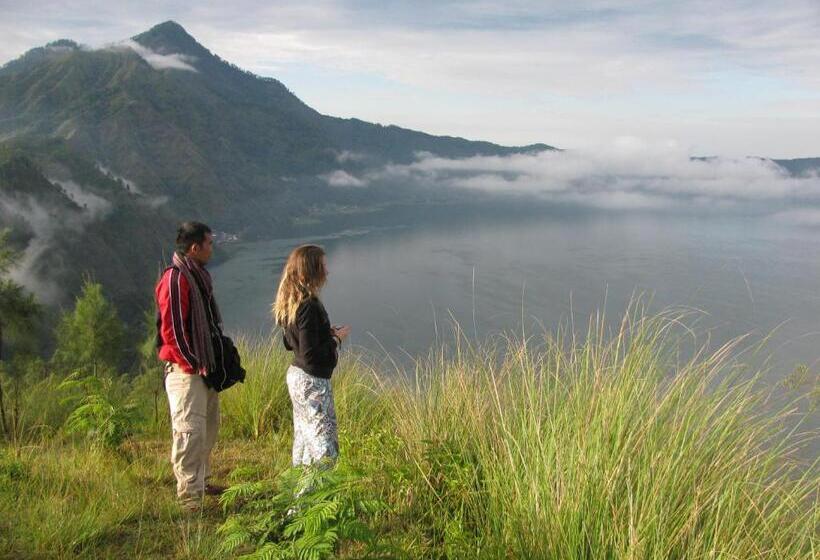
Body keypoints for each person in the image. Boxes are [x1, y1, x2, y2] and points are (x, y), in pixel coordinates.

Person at [155, 221, 225, 510]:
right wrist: (194, 364)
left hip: (202, 368)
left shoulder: (197, 277)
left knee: (207, 428)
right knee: (189, 432)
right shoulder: (176, 280)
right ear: (195, 248)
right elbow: (173, 332)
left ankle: (201, 482)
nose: (212, 248)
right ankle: (189, 498)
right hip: (187, 372)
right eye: (209, 243)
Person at [273, 244, 350, 467]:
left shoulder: (293, 302)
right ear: (312, 269)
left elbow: (290, 343)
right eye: (323, 266)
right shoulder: (308, 305)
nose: (327, 271)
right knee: (323, 443)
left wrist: (325, 333)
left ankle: (300, 487)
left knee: (305, 439)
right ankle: (321, 487)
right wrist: (336, 340)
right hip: (312, 382)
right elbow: (310, 354)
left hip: (297, 378)